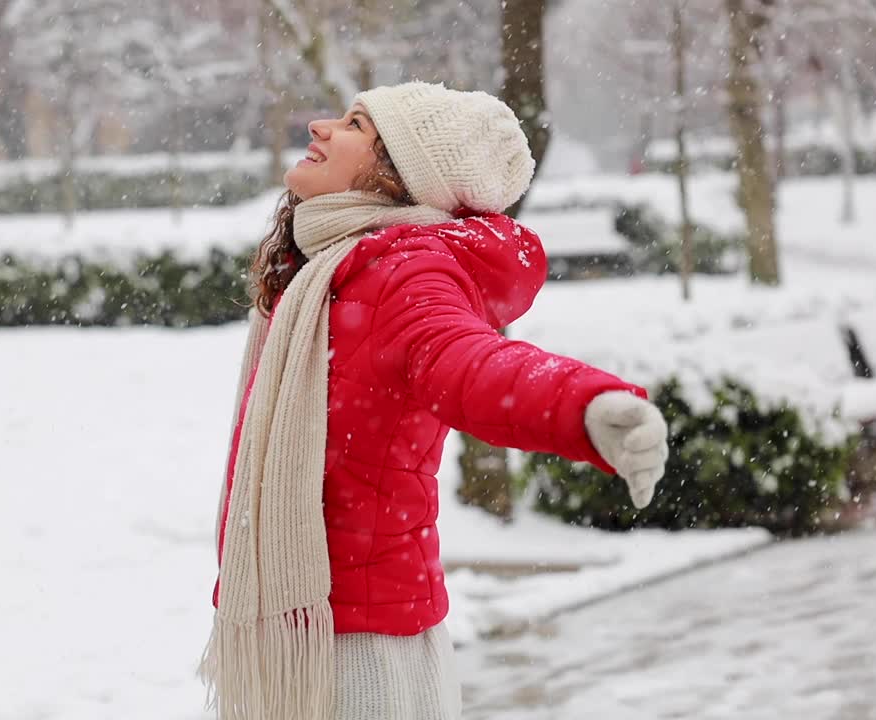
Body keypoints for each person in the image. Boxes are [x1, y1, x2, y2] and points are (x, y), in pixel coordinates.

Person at [199, 81, 669, 720]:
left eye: (355, 125)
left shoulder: (405, 271)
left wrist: (583, 406)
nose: (320, 127)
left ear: (400, 175)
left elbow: (471, 365)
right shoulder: (332, 267)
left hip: (362, 656)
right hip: (312, 631)